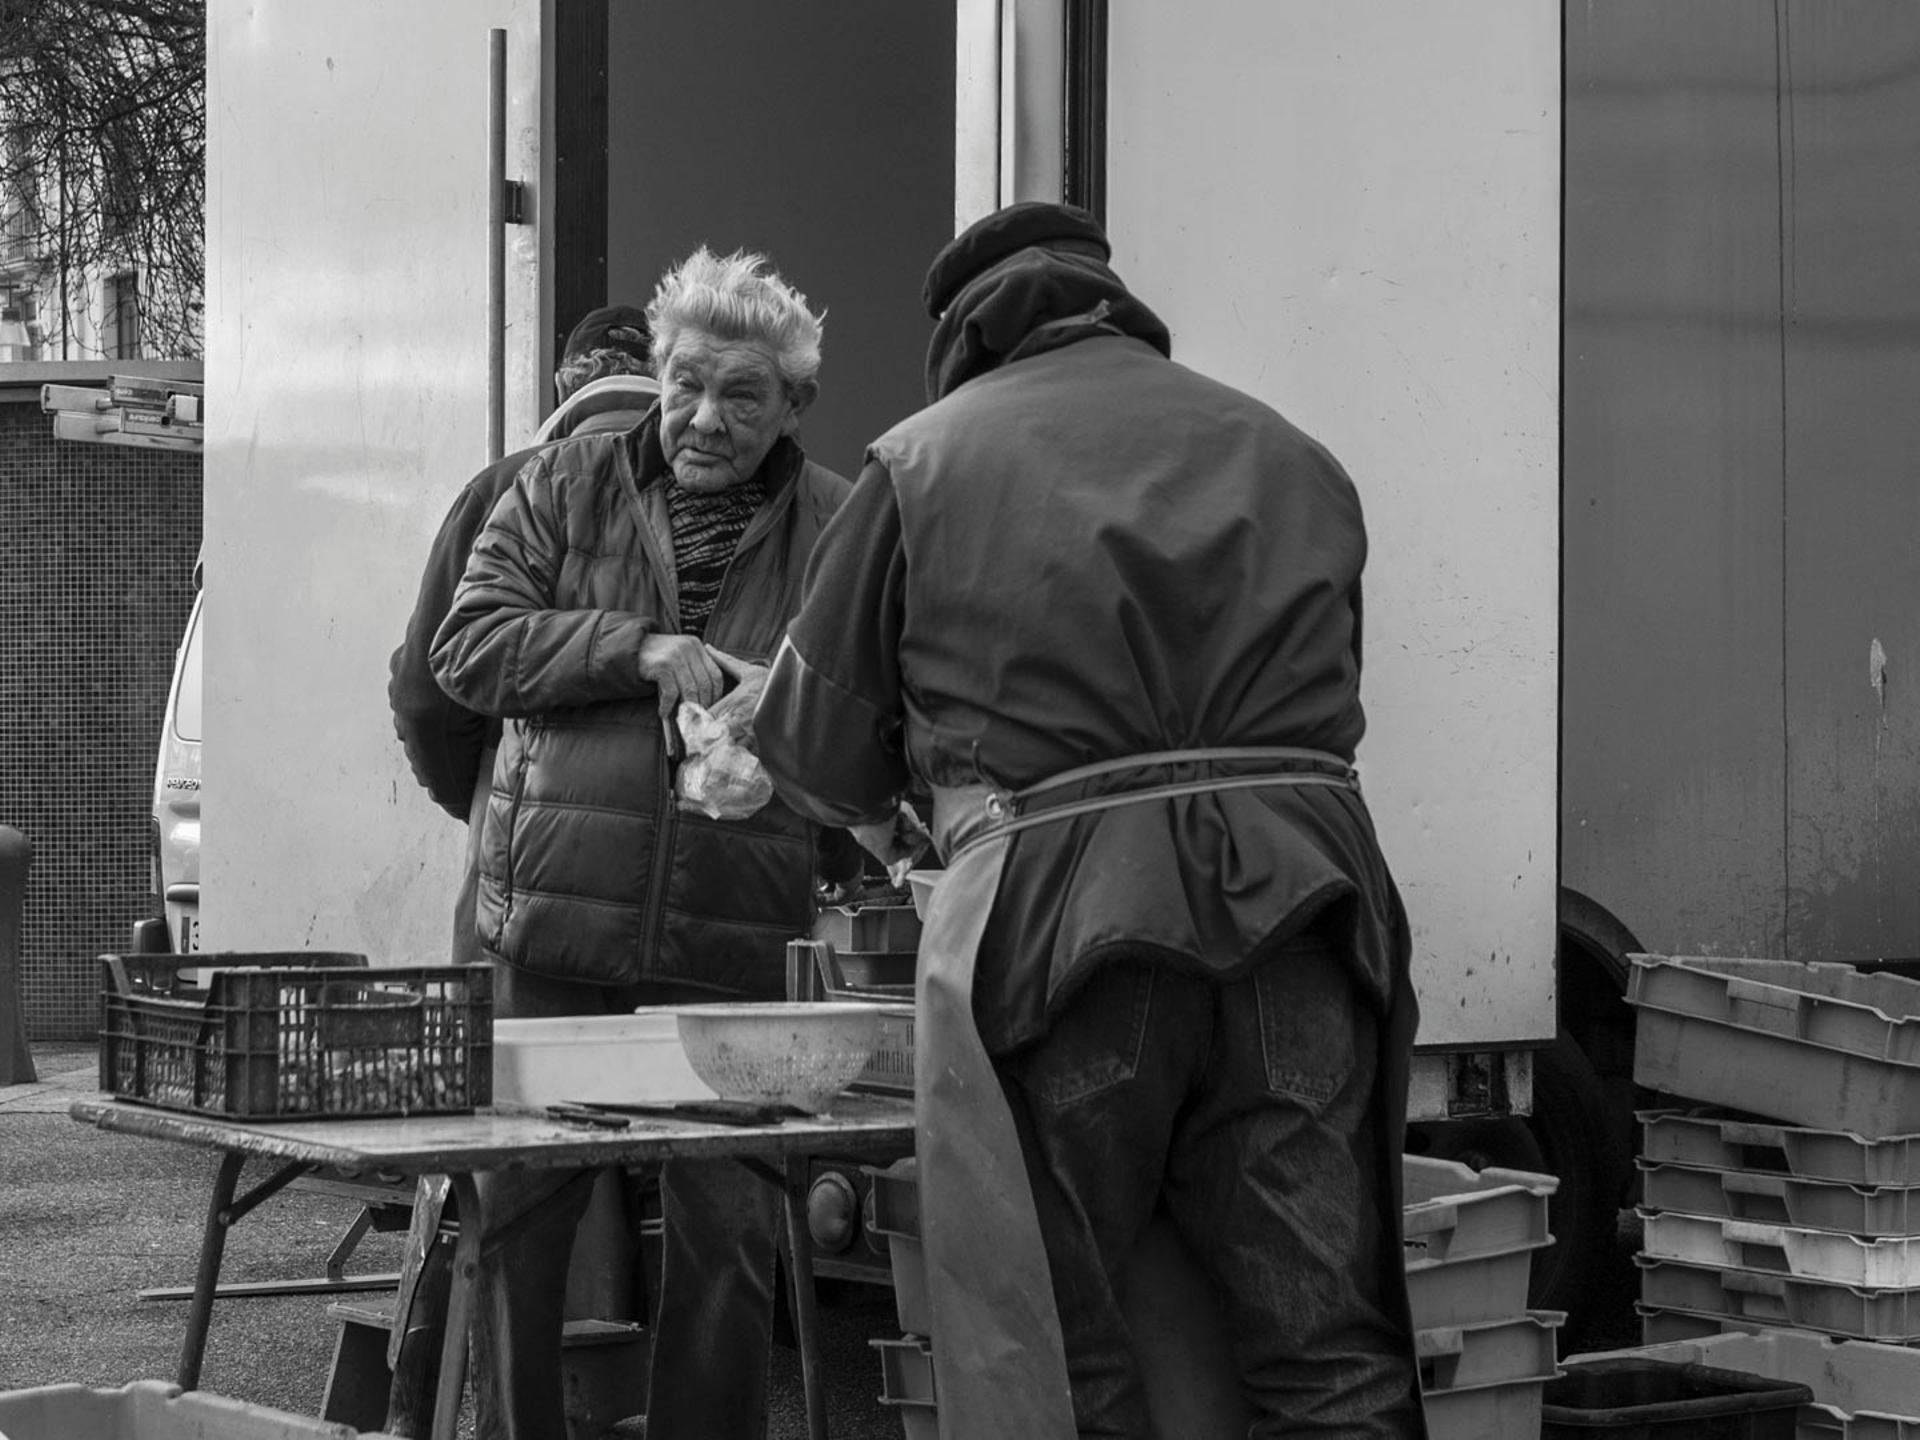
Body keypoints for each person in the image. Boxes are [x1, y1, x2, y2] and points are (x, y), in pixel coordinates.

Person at [755, 202, 1427, 1439]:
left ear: (962, 333)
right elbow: (1322, 707)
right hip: (1307, 912)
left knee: (1060, 1357)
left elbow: (808, 743)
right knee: (1327, 1350)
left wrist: (906, 808)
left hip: (1063, 932)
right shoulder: (1291, 451)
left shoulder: (922, 462)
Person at [430, 247, 856, 1440]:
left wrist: (786, 708)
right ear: (657, 378)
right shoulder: (563, 482)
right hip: (554, 915)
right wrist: (638, 650)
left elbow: (880, 704)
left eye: (742, 396)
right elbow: (467, 648)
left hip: (734, 927)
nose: (705, 418)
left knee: (729, 1237)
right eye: (686, 385)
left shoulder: (839, 521)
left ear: (794, 405)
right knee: (523, 1224)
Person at [388, 303, 659, 966]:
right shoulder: (725, 495)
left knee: (509, 1029)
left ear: (565, 387)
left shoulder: (501, 488)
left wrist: (484, 791)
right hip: (684, 864)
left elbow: (426, 698)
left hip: (518, 861)